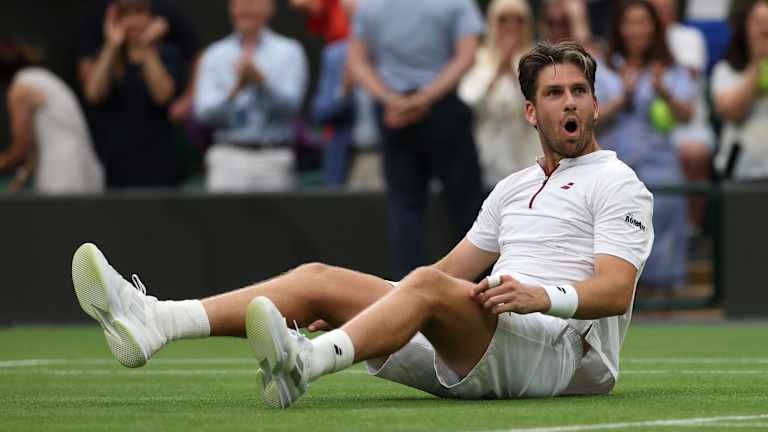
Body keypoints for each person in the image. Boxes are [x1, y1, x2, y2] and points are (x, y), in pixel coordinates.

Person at [71, 41, 654, 408]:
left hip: (560, 356)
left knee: (423, 282)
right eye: (554, 94)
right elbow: (448, 278)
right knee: (320, 278)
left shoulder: (617, 181)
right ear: (532, 112)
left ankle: (307, 360)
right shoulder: (513, 188)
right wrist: (369, 311)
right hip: (489, 340)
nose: (569, 102)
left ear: (596, 105)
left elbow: (615, 290)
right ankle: (156, 321)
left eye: (579, 91)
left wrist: (539, 296)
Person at [347, 0, 485, 279]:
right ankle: (479, 292)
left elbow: (357, 60)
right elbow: (466, 56)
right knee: (466, 209)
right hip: (440, 109)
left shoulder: (369, 6)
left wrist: (391, 100)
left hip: (395, 113)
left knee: (405, 209)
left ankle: (406, 296)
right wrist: (424, 99)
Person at [595, 0, 692, 297]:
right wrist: (623, 97)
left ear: (654, 28)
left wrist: (663, 90)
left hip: (659, 161)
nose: (637, 30)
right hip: (616, 162)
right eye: (630, 23)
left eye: (643, 22)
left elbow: (686, 115)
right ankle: (618, 291)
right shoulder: (601, 67)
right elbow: (589, 118)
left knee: (665, 206)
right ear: (619, 28)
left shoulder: (671, 68)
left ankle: (663, 292)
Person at [194, 0, 308, 192]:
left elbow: (292, 107)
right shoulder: (215, 54)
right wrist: (236, 89)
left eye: (253, 2)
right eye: (240, 3)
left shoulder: (289, 51)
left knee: (275, 223)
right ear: (232, 8)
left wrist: (261, 82)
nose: (245, 9)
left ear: (270, 8)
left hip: (274, 157)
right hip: (228, 156)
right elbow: (204, 114)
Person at [80, 0, 186, 188]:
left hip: (158, 161)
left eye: (139, 12)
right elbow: (93, 94)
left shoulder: (168, 53)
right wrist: (111, 45)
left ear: (150, 16)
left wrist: (146, 48)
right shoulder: (106, 55)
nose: (134, 20)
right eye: (127, 14)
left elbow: (163, 94)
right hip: (116, 161)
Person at [0, 38, 104, 193]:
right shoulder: (41, 77)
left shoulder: (20, 89)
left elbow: (20, 150)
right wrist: (19, 181)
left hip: (63, 179)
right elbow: (32, 151)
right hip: (86, 172)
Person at [459, 0, 541, 187]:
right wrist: (496, 73)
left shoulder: (538, 58)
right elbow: (468, 102)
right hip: (487, 156)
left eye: (518, 20)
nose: (511, 26)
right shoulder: (479, 58)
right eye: (503, 19)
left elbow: (540, 105)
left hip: (527, 158)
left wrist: (513, 75)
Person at [650, 0, 715, 231]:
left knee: (693, 152)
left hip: (687, 124)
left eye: (666, 8)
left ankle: (692, 229)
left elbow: (689, 75)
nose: (662, 14)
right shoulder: (638, 36)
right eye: (656, 9)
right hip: (647, 126)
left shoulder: (689, 36)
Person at [310, 0, 383, 189]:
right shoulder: (335, 55)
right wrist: (344, 90)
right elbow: (319, 113)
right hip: (348, 160)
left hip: (389, 156)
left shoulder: (393, 54)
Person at [711, 0, 768, 181]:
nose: (764, 30)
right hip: (740, 172)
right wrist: (757, 64)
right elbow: (733, 113)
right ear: (744, 28)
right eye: (758, 23)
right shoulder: (726, 70)